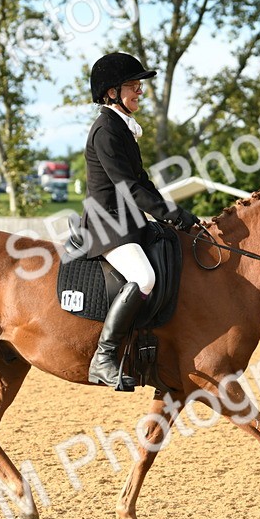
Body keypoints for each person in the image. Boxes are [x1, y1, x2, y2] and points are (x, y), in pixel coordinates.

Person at [78, 52, 200, 388]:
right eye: (134, 85)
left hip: (129, 223)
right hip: (108, 225)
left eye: (139, 85)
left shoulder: (122, 127)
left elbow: (143, 181)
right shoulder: (106, 130)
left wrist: (174, 214)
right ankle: (103, 357)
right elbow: (127, 187)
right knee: (144, 277)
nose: (140, 92)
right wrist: (170, 214)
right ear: (112, 92)